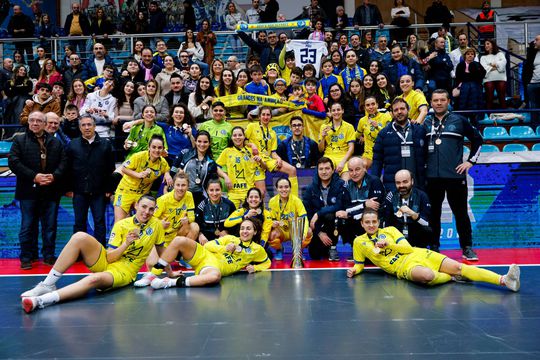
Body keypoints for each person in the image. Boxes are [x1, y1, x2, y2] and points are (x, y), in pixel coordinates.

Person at [20, 195, 167, 313]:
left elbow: (163, 253)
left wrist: (171, 274)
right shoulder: (122, 224)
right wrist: (126, 244)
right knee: (79, 236)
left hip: (125, 271)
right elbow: (109, 257)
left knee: (93, 279)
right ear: (136, 205)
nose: (147, 212)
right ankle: (47, 284)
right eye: (144, 207)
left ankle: (41, 301)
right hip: (108, 260)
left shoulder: (157, 225)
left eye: (151, 209)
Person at [346, 208, 520, 293]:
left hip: (418, 253)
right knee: (428, 276)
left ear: (378, 222)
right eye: (367, 222)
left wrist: (388, 245)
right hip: (403, 267)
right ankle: (450, 277)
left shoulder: (390, 230)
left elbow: (407, 248)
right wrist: (354, 270)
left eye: (373, 222)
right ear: (362, 224)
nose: (370, 225)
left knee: (460, 267)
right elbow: (360, 264)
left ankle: (504, 280)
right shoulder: (359, 242)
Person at [422, 89, 483, 259]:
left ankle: (467, 247)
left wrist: (470, 161)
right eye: (436, 100)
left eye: (442, 100)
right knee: (433, 214)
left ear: (448, 101)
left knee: (461, 213)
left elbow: (477, 140)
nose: (439, 103)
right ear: (431, 103)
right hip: (432, 177)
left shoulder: (460, 120)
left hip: (455, 176)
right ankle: (434, 246)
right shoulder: (426, 123)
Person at [139, 217, 270, 289]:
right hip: (202, 254)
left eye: (248, 229)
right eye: (242, 228)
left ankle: (170, 282)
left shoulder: (257, 249)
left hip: (212, 266)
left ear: (255, 232)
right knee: (179, 240)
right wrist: (225, 248)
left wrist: (255, 268)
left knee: (215, 277)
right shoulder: (231, 239)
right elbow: (208, 245)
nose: (244, 231)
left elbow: (266, 263)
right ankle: (152, 274)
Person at [8, 111, 67, 270]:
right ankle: (27, 257)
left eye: (38, 121)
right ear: (28, 123)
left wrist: (54, 176)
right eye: (32, 120)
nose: (35, 123)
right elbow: (14, 162)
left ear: (44, 123)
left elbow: (64, 162)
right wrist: (34, 176)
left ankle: (49, 256)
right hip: (27, 191)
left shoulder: (56, 143)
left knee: (50, 226)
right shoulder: (19, 140)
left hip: (51, 191)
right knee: (27, 226)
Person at [133, 172, 199, 287]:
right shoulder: (163, 200)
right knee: (153, 263)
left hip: (177, 235)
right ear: (173, 185)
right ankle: (150, 276)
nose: (180, 188)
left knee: (194, 226)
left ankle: (183, 258)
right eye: (178, 185)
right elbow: (149, 219)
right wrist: (160, 224)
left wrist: (187, 219)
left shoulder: (189, 195)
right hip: (161, 237)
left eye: (183, 185)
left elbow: (192, 217)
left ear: (187, 186)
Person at [65, 115, 114, 246]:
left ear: (94, 126)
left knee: (99, 221)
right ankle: (78, 252)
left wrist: (109, 189)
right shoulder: (72, 145)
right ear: (80, 128)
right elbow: (67, 169)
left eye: (89, 125)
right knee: (79, 222)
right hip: (79, 191)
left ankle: (100, 251)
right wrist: (68, 189)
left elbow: (111, 169)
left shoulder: (105, 144)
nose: (87, 127)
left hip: (99, 191)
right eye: (83, 125)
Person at [371, 97, 426, 192]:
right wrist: (374, 183)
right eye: (396, 110)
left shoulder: (420, 130)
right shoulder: (383, 134)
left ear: (408, 110)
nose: (399, 112)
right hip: (392, 186)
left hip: (417, 185)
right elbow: (377, 161)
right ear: (391, 113)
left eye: (402, 109)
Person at [113, 135, 172, 222]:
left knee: (143, 222)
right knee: (119, 222)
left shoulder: (163, 162)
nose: (156, 150)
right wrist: (138, 175)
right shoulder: (138, 156)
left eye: (160, 148)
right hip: (125, 191)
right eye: (154, 147)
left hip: (142, 195)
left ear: (163, 149)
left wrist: (167, 174)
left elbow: (166, 169)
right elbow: (124, 168)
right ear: (149, 147)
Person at [302, 157, 350, 261]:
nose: (324, 172)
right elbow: (307, 212)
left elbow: (339, 205)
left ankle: (332, 247)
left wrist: (319, 213)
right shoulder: (310, 188)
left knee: (331, 214)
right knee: (315, 255)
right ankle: (326, 247)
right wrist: (319, 232)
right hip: (318, 225)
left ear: (333, 170)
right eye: (321, 169)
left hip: (335, 222)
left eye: (327, 168)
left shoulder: (340, 184)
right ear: (317, 171)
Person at [245, 106, 299, 195]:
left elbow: (273, 152)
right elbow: (243, 142)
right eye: (263, 115)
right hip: (254, 160)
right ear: (259, 116)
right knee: (261, 193)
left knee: (292, 170)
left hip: (267, 160)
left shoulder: (272, 133)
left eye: (268, 115)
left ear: (271, 117)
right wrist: (252, 145)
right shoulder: (252, 126)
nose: (265, 117)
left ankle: (294, 200)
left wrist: (278, 159)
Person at [171, 130, 231, 205]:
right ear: (195, 142)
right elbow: (172, 170)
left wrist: (225, 176)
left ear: (209, 143)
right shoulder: (185, 153)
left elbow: (215, 171)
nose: (202, 144)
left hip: (199, 196)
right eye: (199, 141)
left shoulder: (210, 162)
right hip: (182, 194)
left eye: (205, 142)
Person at [335, 157, 385, 247]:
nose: (354, 173)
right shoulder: (347, 185)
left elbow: (373, 209)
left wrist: (350, 213)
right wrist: (364, 204)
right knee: (340, 218)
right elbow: (345, 208)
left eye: (357, 169)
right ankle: (354, 246)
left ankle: (373, 244)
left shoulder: (374, 181)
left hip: (373, 219)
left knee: (368, 217)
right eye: (351, 170)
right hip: (355, 219)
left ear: (364, 168)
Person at [217, 127, 264, 208]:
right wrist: (226, 177)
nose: (237, 137)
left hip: (249, 192)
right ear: (231, 138)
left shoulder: (251, 150)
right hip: (233, 192)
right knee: (232, 218)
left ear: (244, 137)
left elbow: (263, 167)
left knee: (251, 216)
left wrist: (261, 161)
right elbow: (216, 167)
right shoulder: (227, 151)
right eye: (234, 135)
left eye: (240, 135)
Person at [267, 177, 312, 260]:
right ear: (276, 189)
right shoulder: (272, 201)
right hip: (281, 231)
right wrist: (273, 223)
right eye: (280, 187)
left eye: (286, 187)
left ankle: (298, 251)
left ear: (290, 188)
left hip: (295, 230)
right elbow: (271, 219)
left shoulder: (297, 201)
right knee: (272, 234)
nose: (284, 189)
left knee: (308, 231)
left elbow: (304, 218)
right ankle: (279, 249)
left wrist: (304, 234)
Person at [384, 169, 431, 248]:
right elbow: (387, 221)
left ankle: (422, 250)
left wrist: (413, 214)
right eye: (398, 183)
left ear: (412, 181)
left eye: (405, 182)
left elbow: (426, 223)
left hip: (416, 230)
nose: (401, 185)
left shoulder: (422, 196)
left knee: (427, 230)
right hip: (398, 231)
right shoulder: (391, 196)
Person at [318, 102, 356, 180]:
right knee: (324, 175)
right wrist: (323, 137)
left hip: (343, 156)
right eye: (333, 110)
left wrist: (343, 162)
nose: (336, 112)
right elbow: (321, 149)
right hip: (328, 156)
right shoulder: (324, 127)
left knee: (346, 179)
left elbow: (351, 149)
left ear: (342, 111)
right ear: (330, 112)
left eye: (338, 110)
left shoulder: (349, 127)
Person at [195, 178, 236, 244]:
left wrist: (227, 232)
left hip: (224, 239)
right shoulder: (202, 205)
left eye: (217, 190)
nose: (214, 193)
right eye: (211, 190)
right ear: (207, 191)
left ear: (221, 190)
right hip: (207, 240)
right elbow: (196, 223)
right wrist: (200, 235)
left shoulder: (229, 205)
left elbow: (235, 223)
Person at [356, 96, 392, 169]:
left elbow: (390, 135)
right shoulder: (362, 120)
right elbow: (357, 134)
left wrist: (377, 127)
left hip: (384, 152)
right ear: (365, 107)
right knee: (361, 166)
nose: (371, 107)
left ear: (377, 105)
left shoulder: (386, 116)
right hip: (369, 153)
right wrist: (361, 137)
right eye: (368, 105)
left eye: (373, 104)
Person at [454, 47, 486, 125]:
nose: (470, 56)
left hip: (475, 85)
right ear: (465, 55)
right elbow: (458, 76)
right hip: (463, 85)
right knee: (467, 87)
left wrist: (471, 75)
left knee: (473, 87)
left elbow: (482, 74)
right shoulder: (461, 65)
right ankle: (464, 117)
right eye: (468, 54)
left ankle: (474, 117)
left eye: (472, 54)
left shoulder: (477, 64)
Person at [480, 39, 507, 109]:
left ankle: (504, 114)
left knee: (502, 98)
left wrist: (492, 65)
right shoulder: (483, 57)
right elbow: (484, 68)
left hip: (501, 78)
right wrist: (497, 66)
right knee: (489, 98)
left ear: (492, 45)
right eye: (485, 44)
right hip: (488, 79)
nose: (486, 46)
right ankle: (489, 116)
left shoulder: (500, 54)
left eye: (488, 44)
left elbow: (503, 63)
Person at [523, 34, 540, 128]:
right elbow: (527, 68)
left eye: (537, 40)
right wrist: (528, 82)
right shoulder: (532, 53)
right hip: (533, 83)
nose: (534, 41)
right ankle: (535, 126)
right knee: (533, 105)